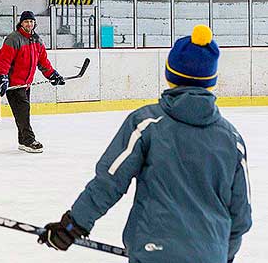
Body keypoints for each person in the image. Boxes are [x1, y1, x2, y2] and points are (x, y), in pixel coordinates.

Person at [38, 25, 252, 263]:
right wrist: (222, 254)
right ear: (211, 81)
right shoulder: (232, 140)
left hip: (153, 252)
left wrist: (72, 226)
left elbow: (110, 181)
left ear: (170, 75)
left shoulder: (146, 123)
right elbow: (241, 215)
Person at [0, 11, 65, 153]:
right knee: (23, 111)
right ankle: (29, 140)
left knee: (22, 112)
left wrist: (52, 74)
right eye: (26, 21)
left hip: (26, 84)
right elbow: (4, 60)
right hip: (14, 84)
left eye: (31, 21)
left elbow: (43, 62)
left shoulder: (36, 40)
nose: (29, 24)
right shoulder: (13, 39)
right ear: (21, 23)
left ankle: (22, 141)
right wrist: (2, 77)